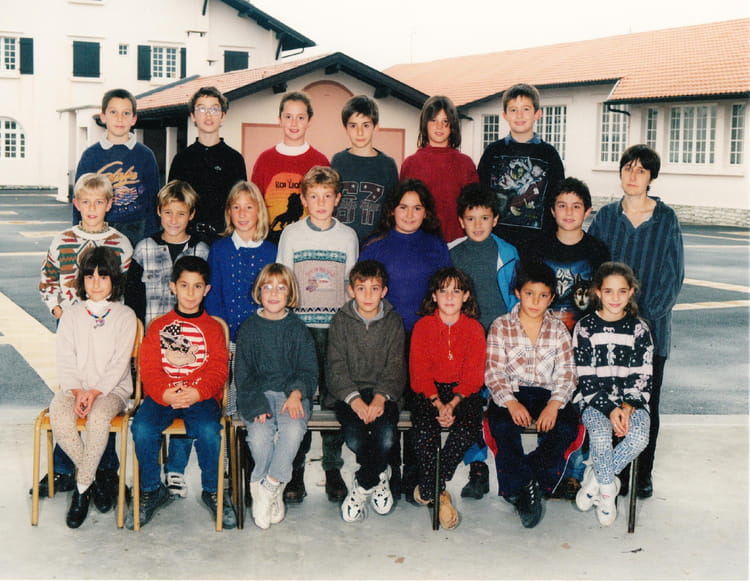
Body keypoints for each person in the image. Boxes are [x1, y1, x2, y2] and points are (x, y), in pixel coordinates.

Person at [587, 144, 684, 499]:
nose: (633, 175)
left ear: (651, 177)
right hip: (607, 331)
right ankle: (613, 472)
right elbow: (594, 270)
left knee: (645, 405)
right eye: (628, 168)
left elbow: (673, 276)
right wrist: (608, 318)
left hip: (652, 331)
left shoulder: (666, 219)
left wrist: (641, 322)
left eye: (641, 170)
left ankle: (642, 473)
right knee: (609, 404)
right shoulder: (606, 218)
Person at [35, 172, 133, 504]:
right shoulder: (61, 240)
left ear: (109, 205)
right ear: (77, 204)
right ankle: (67, 470)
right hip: (72, 328)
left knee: (102, 405)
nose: (92, 209)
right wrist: (57, 310)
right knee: (70, 396)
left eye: (98, 202)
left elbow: (124, 288)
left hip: (106, 330)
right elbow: (47, 279)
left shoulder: (120, 243)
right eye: (86, 202)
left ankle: (104, 472)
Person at [359, 178, 451, 502]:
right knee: (389, 406)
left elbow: (446, 291)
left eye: (417, 208)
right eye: (403, 207)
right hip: (385, 337)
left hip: (425, 338)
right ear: (391, 210)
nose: (410, 214)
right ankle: (389, 472)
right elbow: (363, 293)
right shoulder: (375, 245)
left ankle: (415, 475)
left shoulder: (436, 246)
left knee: (419, 408)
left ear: (426, 212)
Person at [127, 256, 235, 529]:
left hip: (199, 397)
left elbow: (218, 370)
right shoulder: (159, 326)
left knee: (209, 431)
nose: (190, 293)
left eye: (197, 286)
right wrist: (165, 393)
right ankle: (152, 489)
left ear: (206, 290)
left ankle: (213, 489)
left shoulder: (213, 328)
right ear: (173, 287)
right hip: (163, 396)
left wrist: (197, 392)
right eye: (184, 285)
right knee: (142, 428)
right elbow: (149, 368)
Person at [276, 166, 359, 505]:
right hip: (300, 330)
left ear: (337, 199)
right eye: (314, 196)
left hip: (335, 331)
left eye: (327, 196)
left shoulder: (347, 236)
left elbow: (352, 287)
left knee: (333, 399)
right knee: (299, 399)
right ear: (303, 199)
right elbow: (283, 282)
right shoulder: (291, 235)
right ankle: (295, 470)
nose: (321, 202)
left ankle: (332, 468)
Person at [523, 177, 610, 499]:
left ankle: (573, 472)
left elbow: (603, 298)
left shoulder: (597, 251)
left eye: (576, 206)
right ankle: (548, 471)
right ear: (552, 210)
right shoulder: (537, 247)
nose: (569, 213)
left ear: (587, 211)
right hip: (544, 341)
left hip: (583, 341)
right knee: (550, 403)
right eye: (562, 206)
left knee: (579, 405)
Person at [124, 179, 210, 500]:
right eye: (168, 212)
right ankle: (151, 477)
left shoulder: (201, 250)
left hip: (191, 350)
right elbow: (133, 301)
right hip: (154, 350)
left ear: (192, 215)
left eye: (181, 213)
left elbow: (206, 301)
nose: (174, 219)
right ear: (159, 212)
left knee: (188, 405)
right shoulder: (143, 248)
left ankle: (176, 468)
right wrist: (137, 346)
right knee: (156, 408)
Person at [484, 261, 580, 528]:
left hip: (547, 395)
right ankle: (530, 487)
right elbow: (493, 372)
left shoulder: (558, 329)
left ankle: (521, 485)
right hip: (512, 394)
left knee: (567, 426)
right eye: (529, 293)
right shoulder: (501, 326)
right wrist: (511, 403)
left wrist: (554, 405)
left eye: (543, 295)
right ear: (517, 292)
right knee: (502, 425)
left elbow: (567, 373)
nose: (536, 301)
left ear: (551, 297)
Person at [49, 246, 137, 528]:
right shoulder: (71, 315)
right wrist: (78, 391)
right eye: (89, 277)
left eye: (103, 277)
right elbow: (65, 359)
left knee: (98, 419)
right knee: (59, 416)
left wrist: (95, 392)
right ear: (82, 281)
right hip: (75, 388)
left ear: (114, 280)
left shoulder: (125, 315)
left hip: (112, 390)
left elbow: (119, 363)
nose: (96, 283)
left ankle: (81, 490)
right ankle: (95, 479)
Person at [448, 183, 519, 500]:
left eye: (485, 218)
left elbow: (517, 300)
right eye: (471, 218)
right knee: (469, 402)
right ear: (461, 221)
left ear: (496, 219)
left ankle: (510, 471)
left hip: (502, 340)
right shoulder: (453, 254)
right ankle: (477, 467)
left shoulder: (508, 253)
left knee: (501, 404)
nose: (478, 225)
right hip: (467, 341)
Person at [234, 263, 318, 530]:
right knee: (259, 437)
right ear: (258, 292)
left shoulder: (297, 329)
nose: (273, 293)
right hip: (256, 394)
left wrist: (296, 393)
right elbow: (243, 375)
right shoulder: (249, 328)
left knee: (293, 430)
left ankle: (267, 486)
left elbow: (308, 370)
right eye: (267, 287)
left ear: (290, 294)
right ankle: (271, 489)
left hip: (289, 394)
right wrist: (255, 404)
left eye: (281, 288)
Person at [325, 260, 406, 522]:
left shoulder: (393, 322)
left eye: (374, 288)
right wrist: (355, 400)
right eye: (361, 288)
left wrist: (381, 398)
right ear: (351, 290)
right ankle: (379, 475)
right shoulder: (340, 321)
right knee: (356, 438)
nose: (368, 295)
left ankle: (362, 486)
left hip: (385, 394)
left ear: (384, 291)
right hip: (349, 395)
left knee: (385, 437)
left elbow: (396, 366)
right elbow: (335, 366)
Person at [572, 261, 652, 526]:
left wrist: (626, 408)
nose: (615, 298)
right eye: (608, 291)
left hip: (632, 403)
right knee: (600, 436)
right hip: (594, 401)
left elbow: (642, 376)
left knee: (639, 437)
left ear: (631, 292)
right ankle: (608, 492)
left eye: (622, 291)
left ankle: (596, 480)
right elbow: (586, 379)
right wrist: (610, 409)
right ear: (597, 292)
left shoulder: (639, 330)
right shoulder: (585, 328)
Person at [409, 267, 486, 529]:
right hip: (429, 391)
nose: (450, 297)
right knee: (423, 433)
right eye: (443, 291)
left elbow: (474, 376)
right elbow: (419, 373)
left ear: (466, 296)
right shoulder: (423, 326)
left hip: (462, 393)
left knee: (468, 428)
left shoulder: (474, 329)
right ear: (434, 296)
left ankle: (429, 487)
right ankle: (440, 494)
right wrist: (438, 403)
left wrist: (452, 404)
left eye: (456, 291)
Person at [205, 180, 277, 415]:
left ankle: (253, 434)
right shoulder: (219, 249)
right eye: (236, 207)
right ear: (229, 212)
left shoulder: (271, 251)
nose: (242, 214)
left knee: (257, 399)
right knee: (229, 401)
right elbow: (213, 296)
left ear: (259, 211)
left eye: (249, 207)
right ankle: (229, 438)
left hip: (260, 339)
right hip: (228, 338)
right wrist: (222, 335)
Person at [477, 83, 564, 255]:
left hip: (538, 243)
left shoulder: (549, 154)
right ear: (505, 115)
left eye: (526, 109)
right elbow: (480, 194)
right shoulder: (493, 152)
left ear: (537, 114)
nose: (519, 115)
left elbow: (558, 198)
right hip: (498, 241)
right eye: (513, 110)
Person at [74, 88, 160, 246]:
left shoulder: (145, 155)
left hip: (138, 231)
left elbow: (153, 200)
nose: (120, 118)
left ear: (134, 119)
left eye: (126, 113)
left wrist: (152, 237)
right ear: (103, 117)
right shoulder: (90, 155)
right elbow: (80, 200)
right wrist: (79, 236)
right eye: (113, 112)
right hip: (99, 230)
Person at [167, 86, 248, 244]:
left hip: (224, 239)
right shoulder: (181, 159)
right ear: (193, 116)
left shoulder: (235, 159)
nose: (208, 114)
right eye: (202, 109)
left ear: (223, 116)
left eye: (214, 109)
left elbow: (240, 204)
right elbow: (172, 204)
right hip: (188, 239)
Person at [250, 91, 329, 244]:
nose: (294, 123)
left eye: (300, 117)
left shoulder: (321, 162)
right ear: (279, 120)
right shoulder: (264, 160)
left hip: (308, 244)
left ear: (309, 121)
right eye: (288, 117)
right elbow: (254, 204)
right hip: (271, 244)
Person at [400, 96, 478, 243]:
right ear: (425, 124)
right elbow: (401, 210)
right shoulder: (410, 163)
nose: (439, 126)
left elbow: (475, 210)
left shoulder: (465, 163)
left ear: (452, 126)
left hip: (457, 243)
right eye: (433, 120)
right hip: (419, 244)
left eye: (445, 121)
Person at [331, 95, 399, 243]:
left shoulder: (387, 165)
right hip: (341, 243)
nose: (360, 132)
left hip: (375, 245)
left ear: (376, 126)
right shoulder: (338, 161)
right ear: (345, 128)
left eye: (366, 125)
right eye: (353, 126)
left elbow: (393, 210)